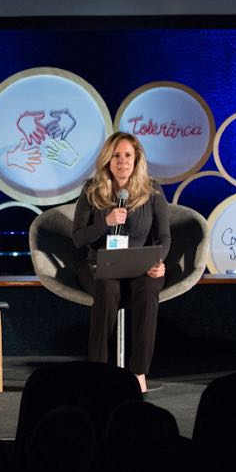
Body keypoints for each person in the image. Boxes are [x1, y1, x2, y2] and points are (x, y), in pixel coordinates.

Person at [71, 132, 169, 392]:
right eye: (116, 155)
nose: (122, 161)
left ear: (136, 160)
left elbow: (164, 236)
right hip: (99, 265)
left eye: (127, 155)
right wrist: (106, 222)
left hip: (140, 266)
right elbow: (79, 238)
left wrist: (159, 261)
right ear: (107, 159)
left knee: (148, 290)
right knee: (108, 288)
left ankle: (138, 372)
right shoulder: (91, 189)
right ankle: (98, 370)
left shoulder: (153, 191)